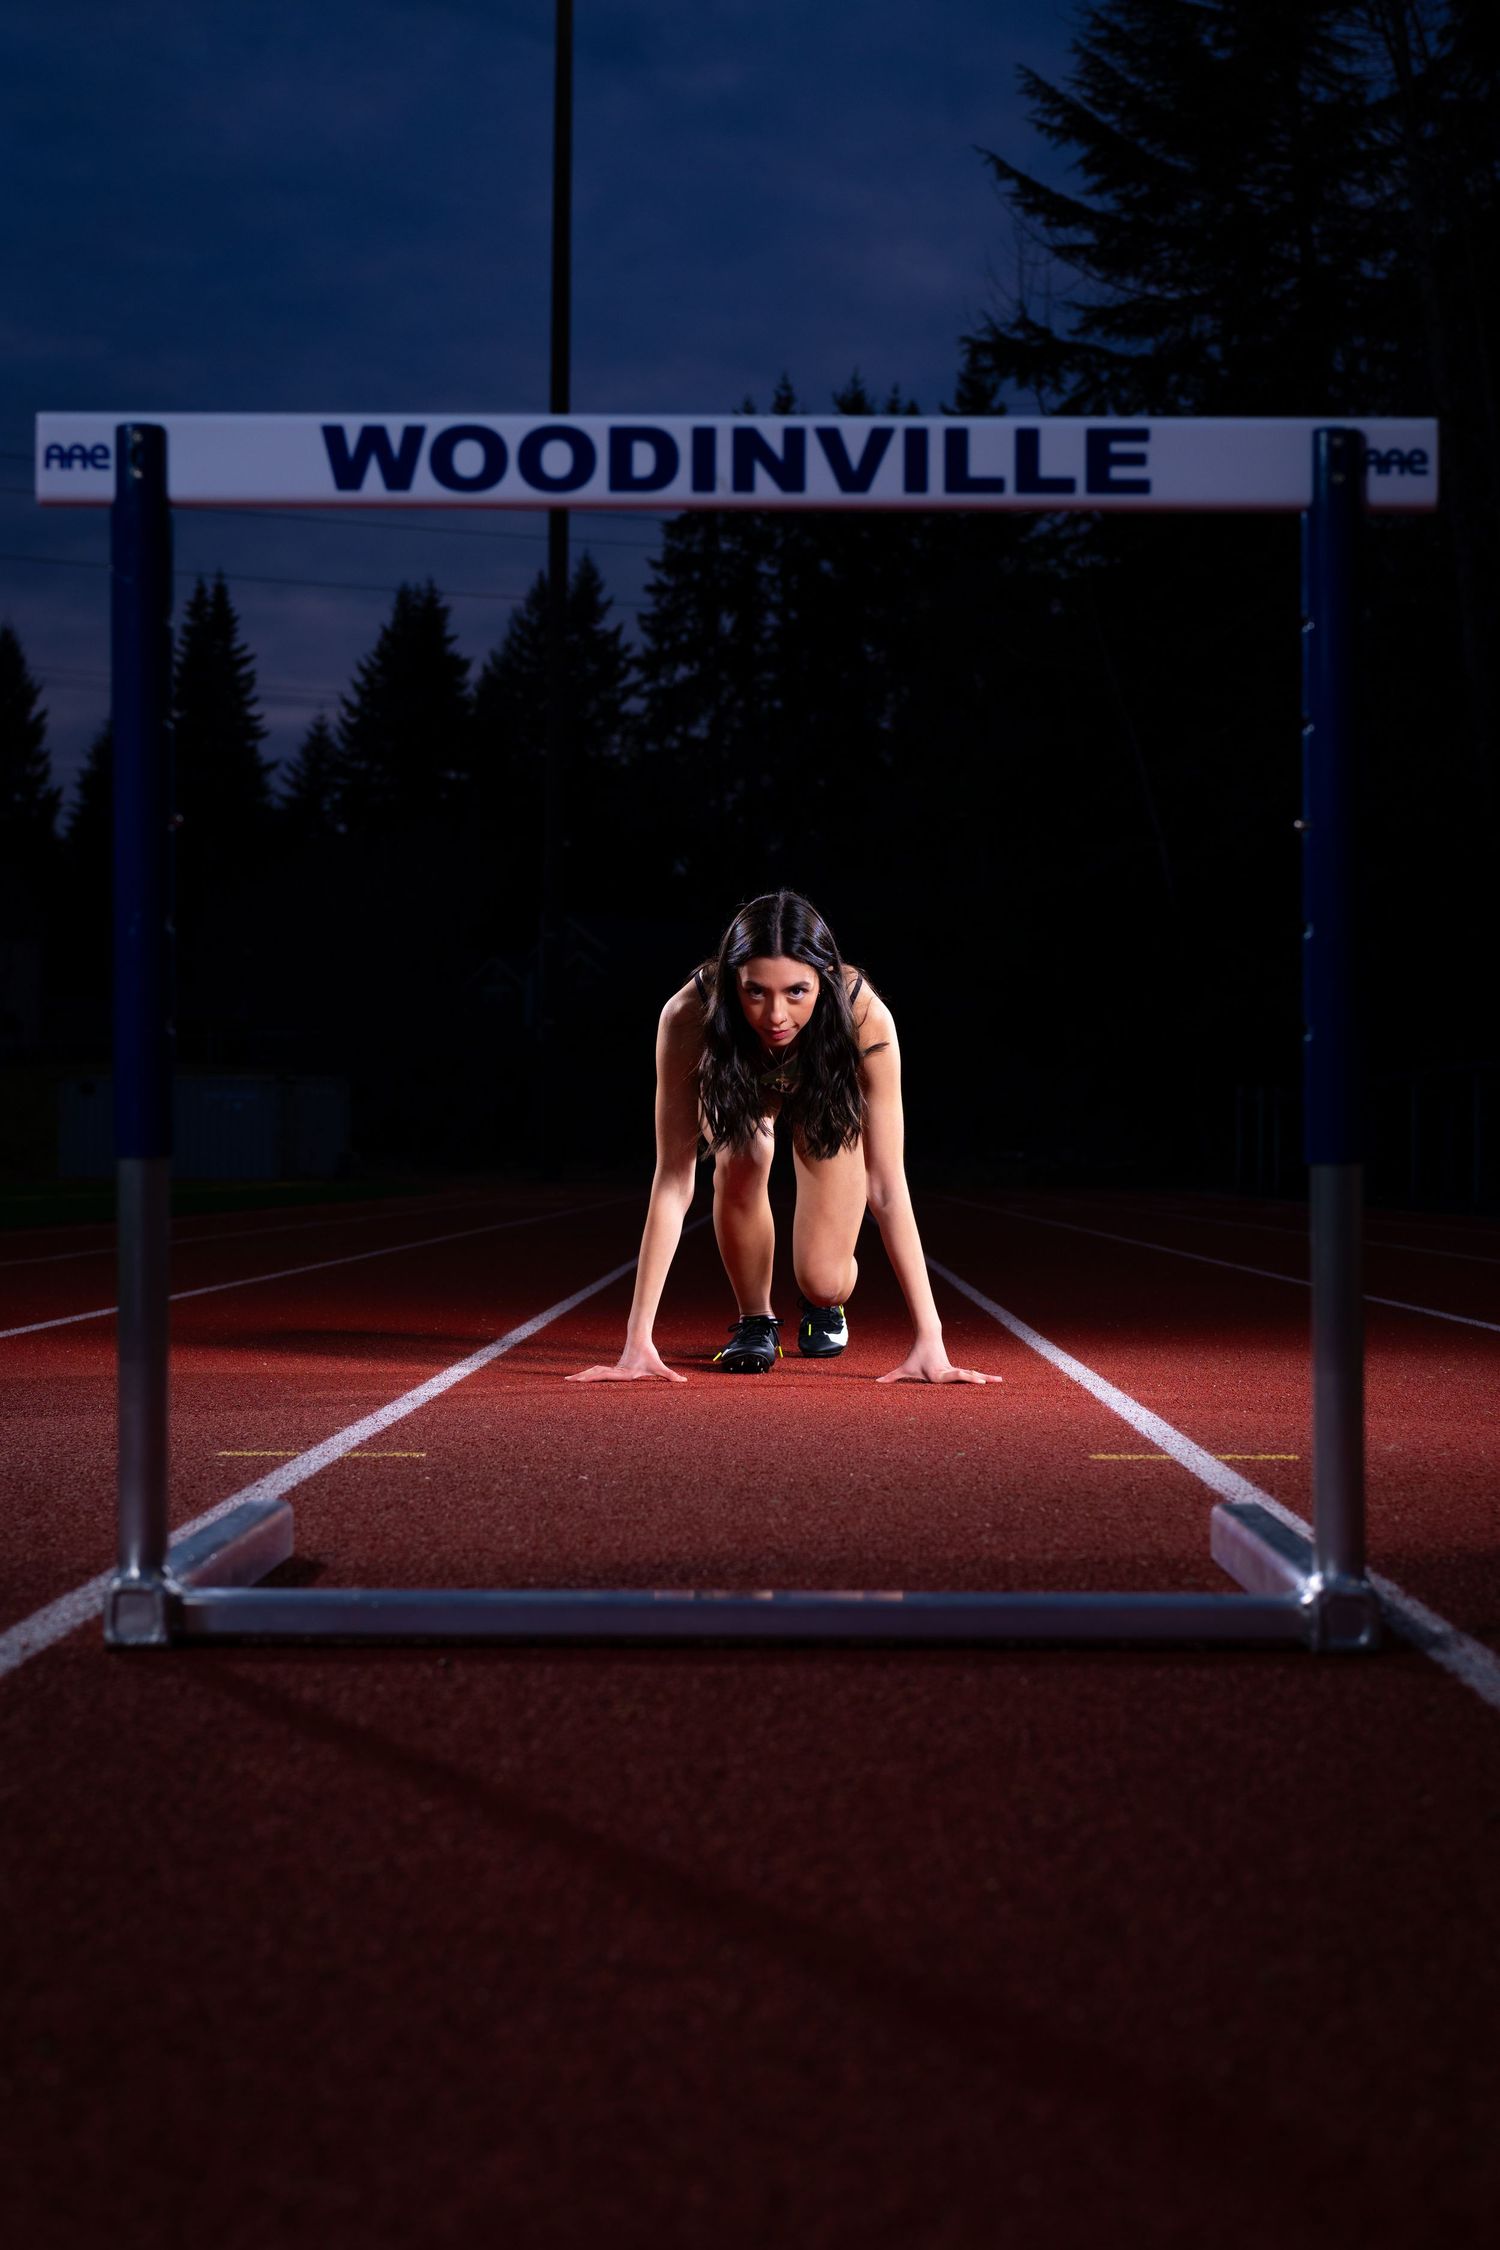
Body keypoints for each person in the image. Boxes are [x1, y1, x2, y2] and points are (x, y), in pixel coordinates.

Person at [568, 890, 993, 1386]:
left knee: (823, 1278)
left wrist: (931, 1340)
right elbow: (674, 1181)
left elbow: (887, 1186)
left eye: (796, 992)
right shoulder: (688, 1014)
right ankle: (755, 1321)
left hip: (824, 1102)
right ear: (733, 983)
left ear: (825, 980)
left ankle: (823, 1305)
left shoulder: (863, 1015)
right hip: (742, 1094)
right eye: (755, 992)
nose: (775, 1016)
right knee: (748, 1146)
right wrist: (637, 1341)